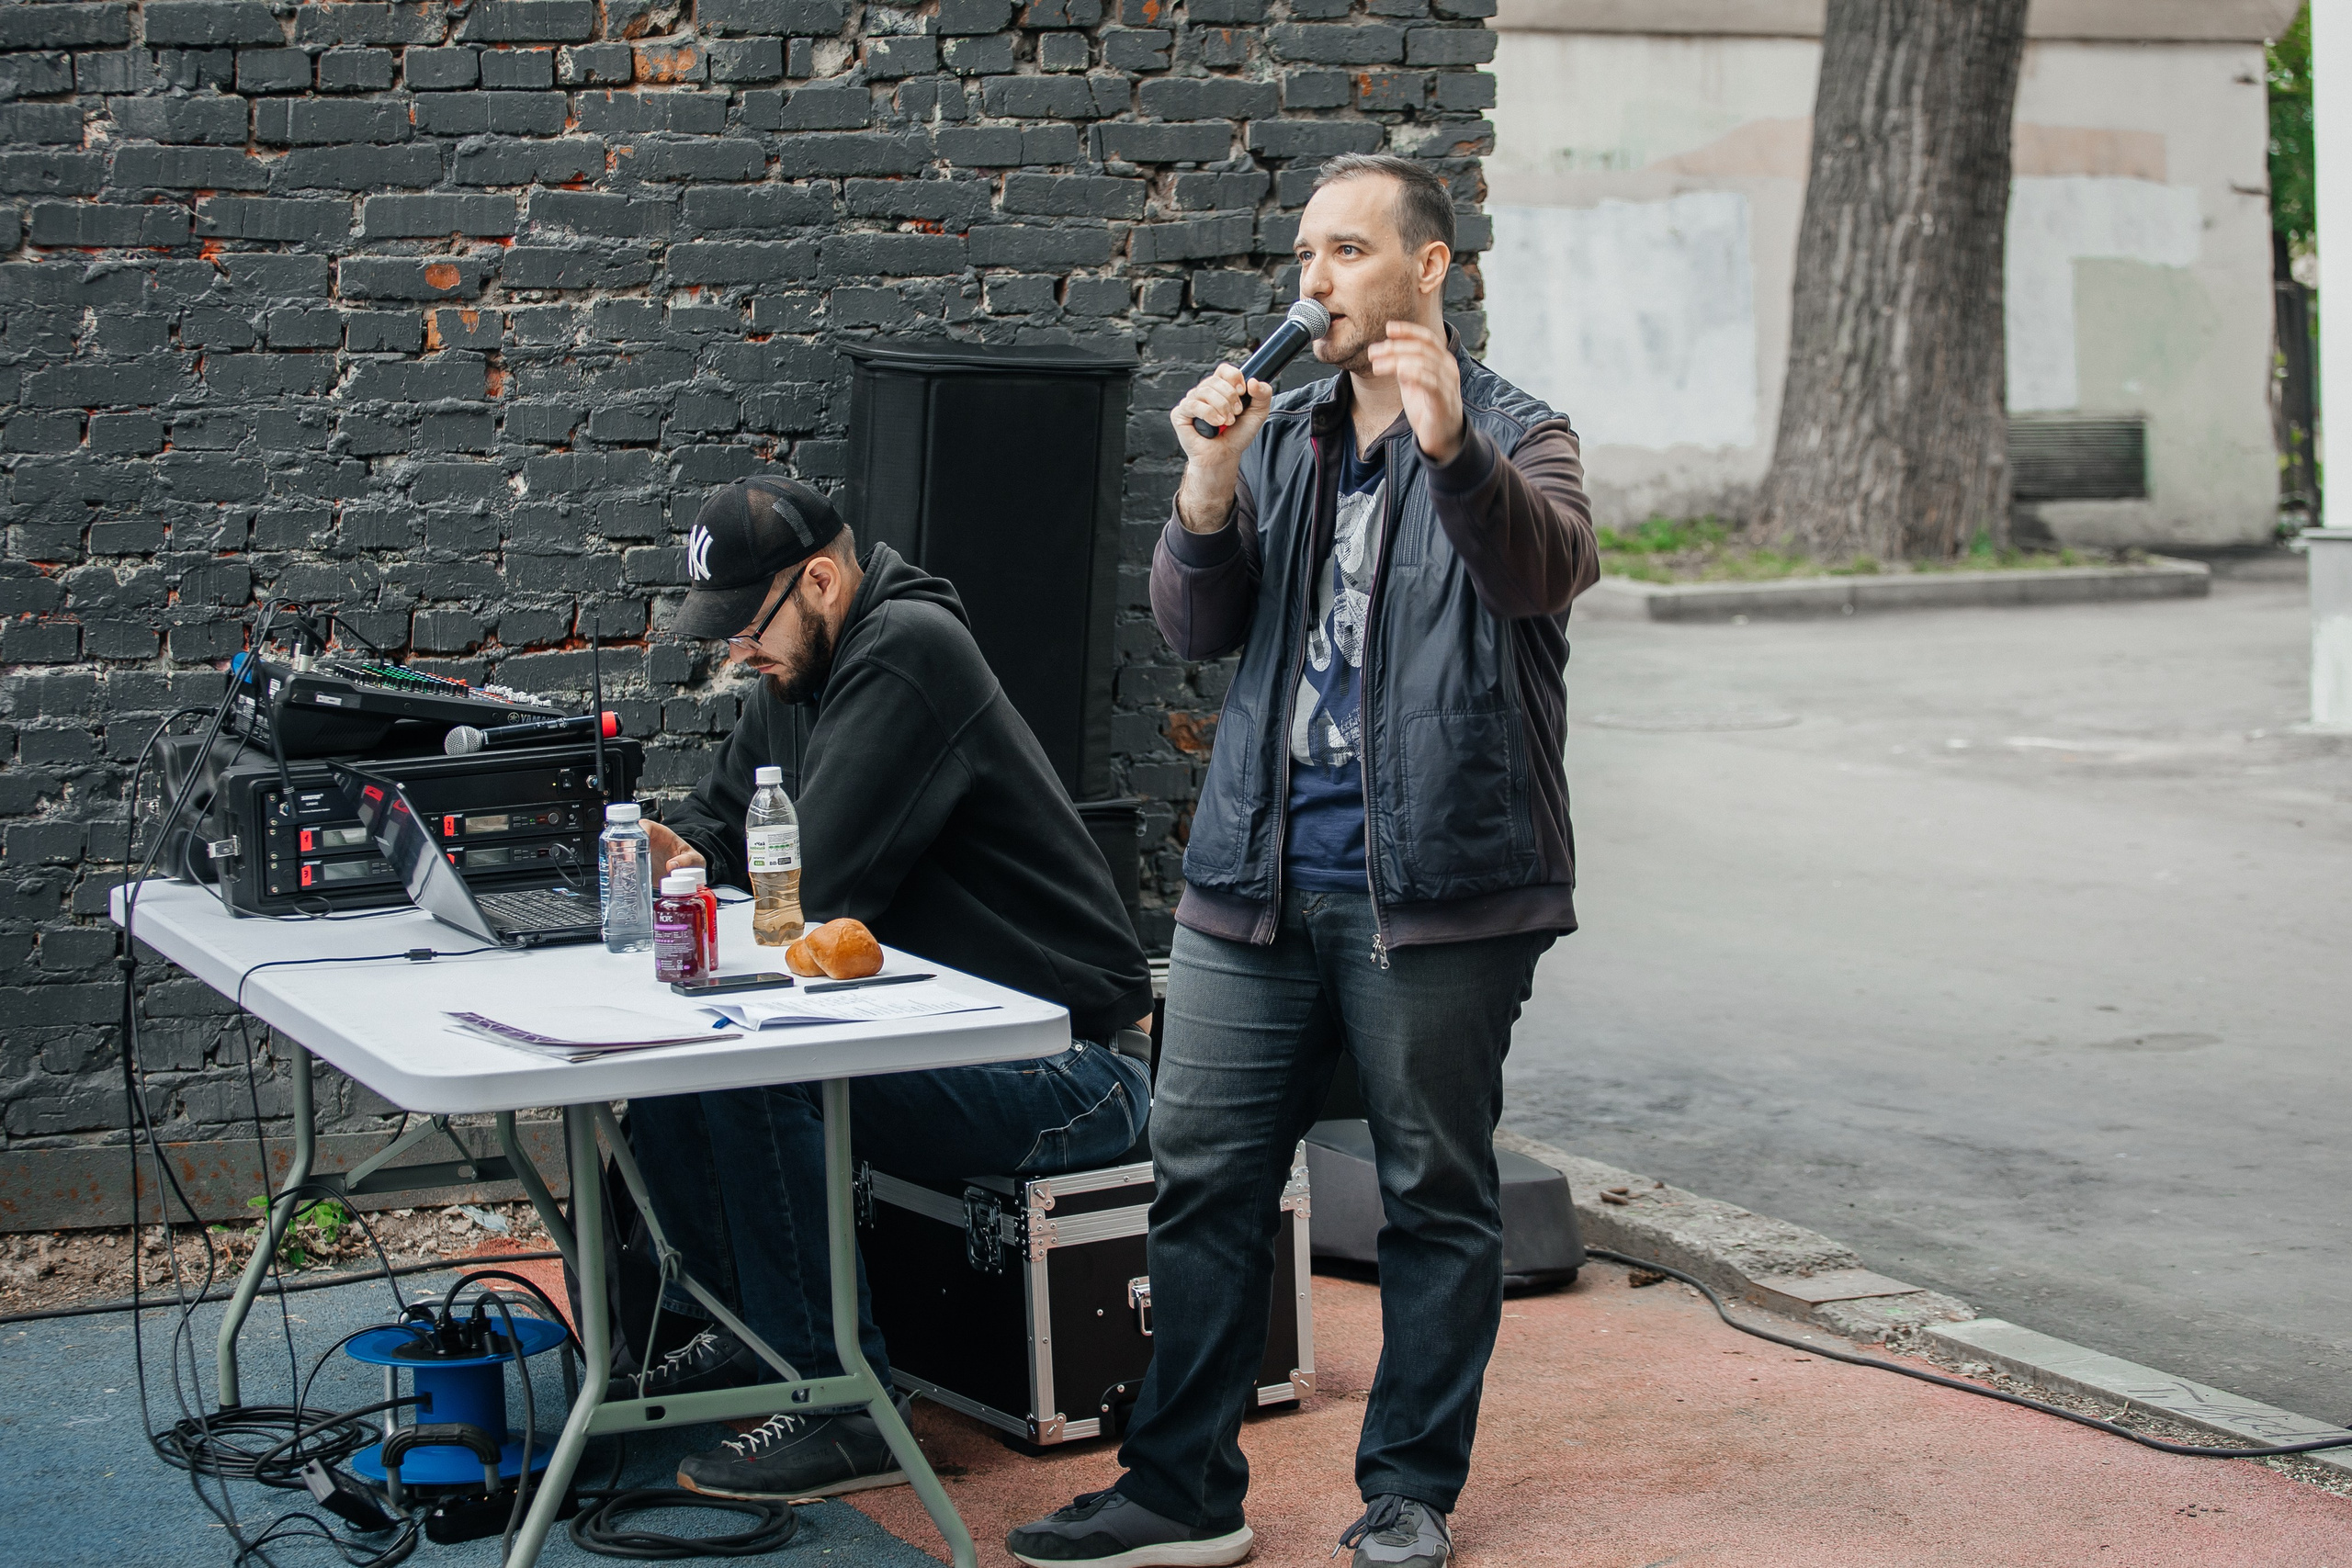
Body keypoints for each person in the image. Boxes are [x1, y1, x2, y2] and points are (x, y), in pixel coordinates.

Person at [1006, 153, 1598, 1568]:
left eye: (1344, 251)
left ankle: (1406, 1489)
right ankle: (1180, 1488)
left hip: (1444, 889)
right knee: (1199, 1173)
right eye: (1306, 254)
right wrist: (1205, 487)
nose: (1313, 282)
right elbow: (1200, 634)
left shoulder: (1524, 430)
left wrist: (1456, 449)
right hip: (1255, 880)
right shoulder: (1286, 430)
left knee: (1432, 1193)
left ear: (1430, 266)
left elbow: (1541, 574)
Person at [623, 475, 1155, 1502]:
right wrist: (661, 850)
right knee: (679, 1055)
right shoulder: (793, 680)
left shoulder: (907, 651)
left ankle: (845, 1404)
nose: (736, 650)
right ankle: (748, 1336)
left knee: (764, 1069)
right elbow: (718, 823)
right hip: (944, 1039)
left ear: (820, 580)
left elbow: (809, 888)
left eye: (748, 625)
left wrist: (702, 871)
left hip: (1069, 1069)